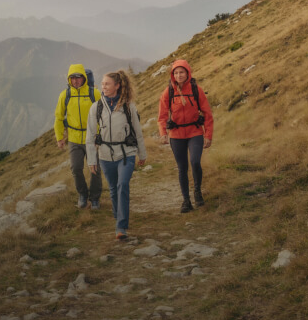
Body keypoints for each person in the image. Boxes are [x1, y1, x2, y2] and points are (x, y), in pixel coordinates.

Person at [86, 70, 146, 239]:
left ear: (117, 86)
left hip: (126, 153)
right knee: (113, 189)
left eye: (107, 84)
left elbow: (137, 131)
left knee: (122, 185)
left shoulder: (128, 106)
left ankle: (121, 226)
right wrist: (92, 160)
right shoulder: (96, 107)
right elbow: (90, 136)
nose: (102, 87)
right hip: (105, 155)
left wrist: (142, 154)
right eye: (102, 83)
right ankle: (118, 213)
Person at [157, 59, 214, 213]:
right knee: (182, 167)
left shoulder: (196, 90)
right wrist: (163, 133)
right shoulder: (168, 92)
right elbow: (162, 116)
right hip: (176, 135)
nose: (179, 75)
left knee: (195, 162)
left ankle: (197, 192)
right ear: (172, 75)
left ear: (188, 73)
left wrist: (208, 135)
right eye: (176, 73)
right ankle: (186, 201)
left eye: (182, 72)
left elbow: (207, 114)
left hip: (195, 132)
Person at [54, 64, 103, 209]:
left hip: (92, 138)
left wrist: (99, 135)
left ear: (84, 78)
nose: (75, 80)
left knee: (95, 169)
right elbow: (58, 117)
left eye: (78, 77)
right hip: (74, 139)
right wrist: (59, 137)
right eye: (72, 78)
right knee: (76, 168)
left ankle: (95, 198)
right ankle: (82, 195)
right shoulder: (65, 95)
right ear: (69, 79)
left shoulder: (95, 93)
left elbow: (103, 115)